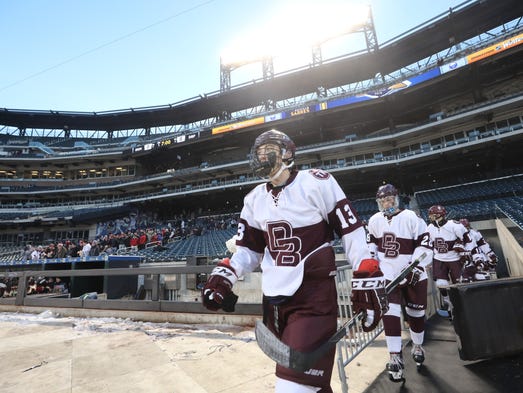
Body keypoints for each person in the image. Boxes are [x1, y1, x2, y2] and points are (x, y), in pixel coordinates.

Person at [201, 129, 387, 393]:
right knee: (311, 384)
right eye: (259, 152)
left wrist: (365, 271)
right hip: (275, 301)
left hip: (313, 295)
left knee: (292, 385)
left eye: (269, 150)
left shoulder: (317, 182)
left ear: (287, 152)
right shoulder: (254, 199)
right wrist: (228, 272)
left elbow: (351, 230)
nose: (261, 156)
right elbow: (249, 249)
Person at [366, 184, 433, 382]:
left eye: (390, 199)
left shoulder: (412, 217)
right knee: (390, 314)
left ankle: (418, 345)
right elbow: (371, 246)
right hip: (388, 276)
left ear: (396, 199)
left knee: (416, 314)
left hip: (412, 275)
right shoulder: (374, 220)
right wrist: (372, 267)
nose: (387, 203)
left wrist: (415, 268)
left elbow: (424, 244)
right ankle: (395, 356)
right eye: (383, 200)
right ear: (379, 203)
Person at [426, 205, 471, 320]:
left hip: (454, 258)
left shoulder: (454, 225)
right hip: (439, 258)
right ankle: (449, 305)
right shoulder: (430, 227)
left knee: (459, 285)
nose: (432, 218)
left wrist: (465, 251)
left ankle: (463, 307)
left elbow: (467, 240)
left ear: (441, 215)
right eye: (431, 215)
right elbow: (428, 245)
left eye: (434, 215)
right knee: (441, 284)